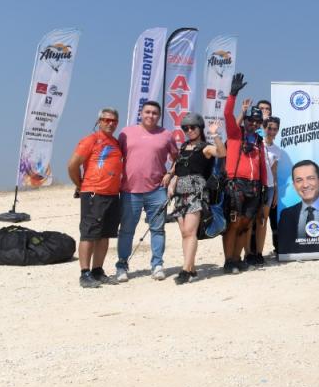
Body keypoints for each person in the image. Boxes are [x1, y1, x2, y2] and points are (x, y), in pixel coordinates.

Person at [114, 100, 177, 282]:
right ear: (141, 113)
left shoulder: (166, 135)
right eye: (148, 112)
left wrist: (170, 174)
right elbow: (115, 156)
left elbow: (177, 159)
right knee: (126, 230)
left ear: (159, 116)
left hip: (157, 190)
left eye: (155, 113)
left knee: (157, 230)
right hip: (129, 190)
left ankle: (157, 265)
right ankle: (122, 265)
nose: (151, 116)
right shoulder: (126, 133)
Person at [163, 113, 224, 283]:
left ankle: (185, 271)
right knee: (185, 233)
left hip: (196, 192)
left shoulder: (206, 147)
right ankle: (191, 267)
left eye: (192, 127)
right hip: (180, 193)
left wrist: (215, 134)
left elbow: (221, 152)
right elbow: (178, 165)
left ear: (200, 128)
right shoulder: (183, 147)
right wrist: (170, 175)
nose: (189, 130)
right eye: (185, 128)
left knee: (190, 232)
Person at [68, 108, 125, 288]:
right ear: (99, 121)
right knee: (89, 234)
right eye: (106, 120)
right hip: (94, 193)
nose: (110, 123)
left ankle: (97, 270)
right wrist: (81, 184)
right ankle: (85, 273)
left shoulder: (115, 143)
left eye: (114, 121)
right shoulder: (90, 140)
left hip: (112, 194)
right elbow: (72, 165)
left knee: (105, 235)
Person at [222, 74, 269, 274]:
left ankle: (239, 258)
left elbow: (263, 166)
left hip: (254, 186)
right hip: (236, 184)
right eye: (251, 120)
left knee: (245, 224)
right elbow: (227, 115)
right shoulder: (235, 134)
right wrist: (233, 94)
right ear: (246, 120)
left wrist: (265, 186)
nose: (254, 124)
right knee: (233, 225)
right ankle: (229, 261)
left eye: (257, 122)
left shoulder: (258, 142)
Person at [257, 115, 288, 263]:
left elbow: (274, 172)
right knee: (252, 220)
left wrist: (275, 192)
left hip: (268, 188)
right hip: (254, 186)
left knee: (262, 220)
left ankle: (259, 253)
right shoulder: (258, 144)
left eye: (275, 129)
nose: (272, 131)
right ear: (264, 128)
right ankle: (251, 253)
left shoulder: (277, 150)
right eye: (269, 128)